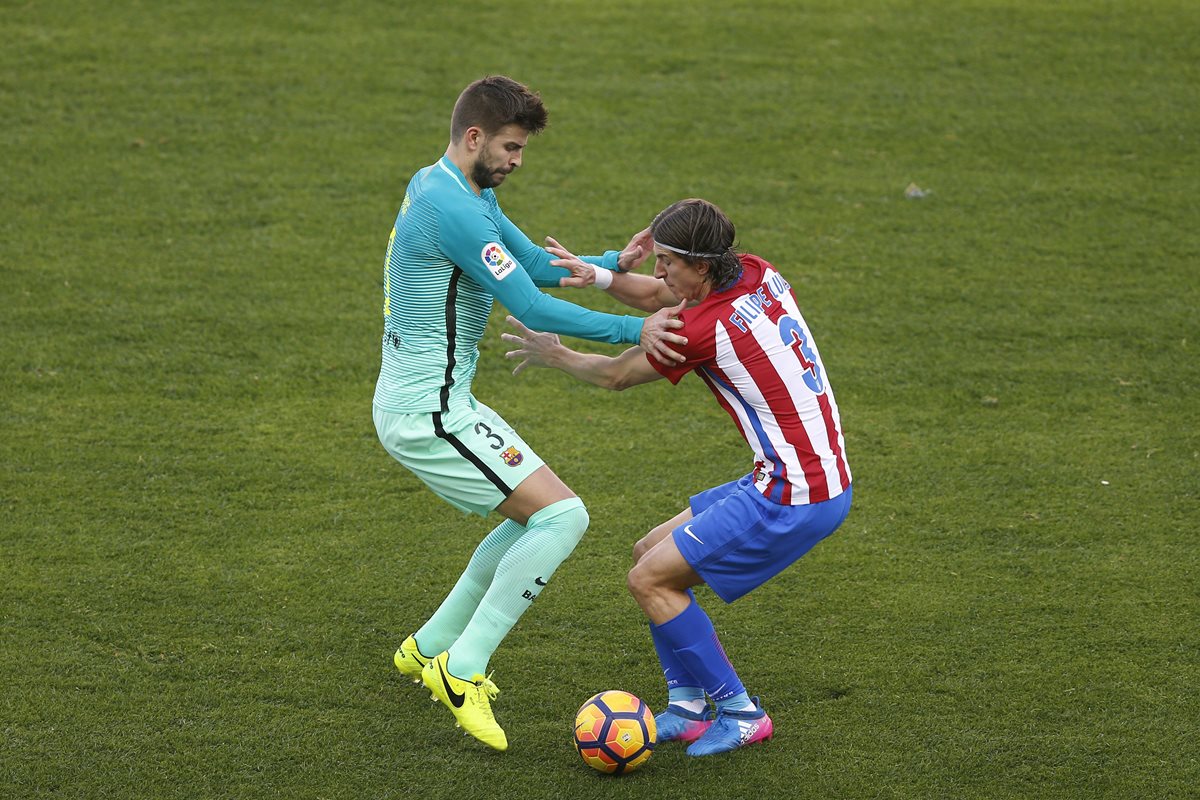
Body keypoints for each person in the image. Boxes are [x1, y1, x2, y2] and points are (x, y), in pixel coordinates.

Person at [373, 76, 686, 752]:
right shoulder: (452, 210)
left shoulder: (460, 190)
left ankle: (426, 648)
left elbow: (531, 265)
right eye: (511, 147)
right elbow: (535, 310)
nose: (517, 160)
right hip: (428, 413)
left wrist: (608, 264)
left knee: (536, 517)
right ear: (475, 136)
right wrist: (640, 331)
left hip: (437, 402)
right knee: (563, 516)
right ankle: (463, 668)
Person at [502, 198, 853, 757]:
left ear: (703, 266)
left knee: (649, 581)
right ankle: (688, 708)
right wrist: (596, 274)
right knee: (648, 553)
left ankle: (739, 711)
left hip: (793, 496)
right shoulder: (755, 271)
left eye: (667, 259)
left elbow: (618, 376)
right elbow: (660, 296)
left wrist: (557, 354)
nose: (658, 270)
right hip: (801, 475)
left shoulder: (703, 328)